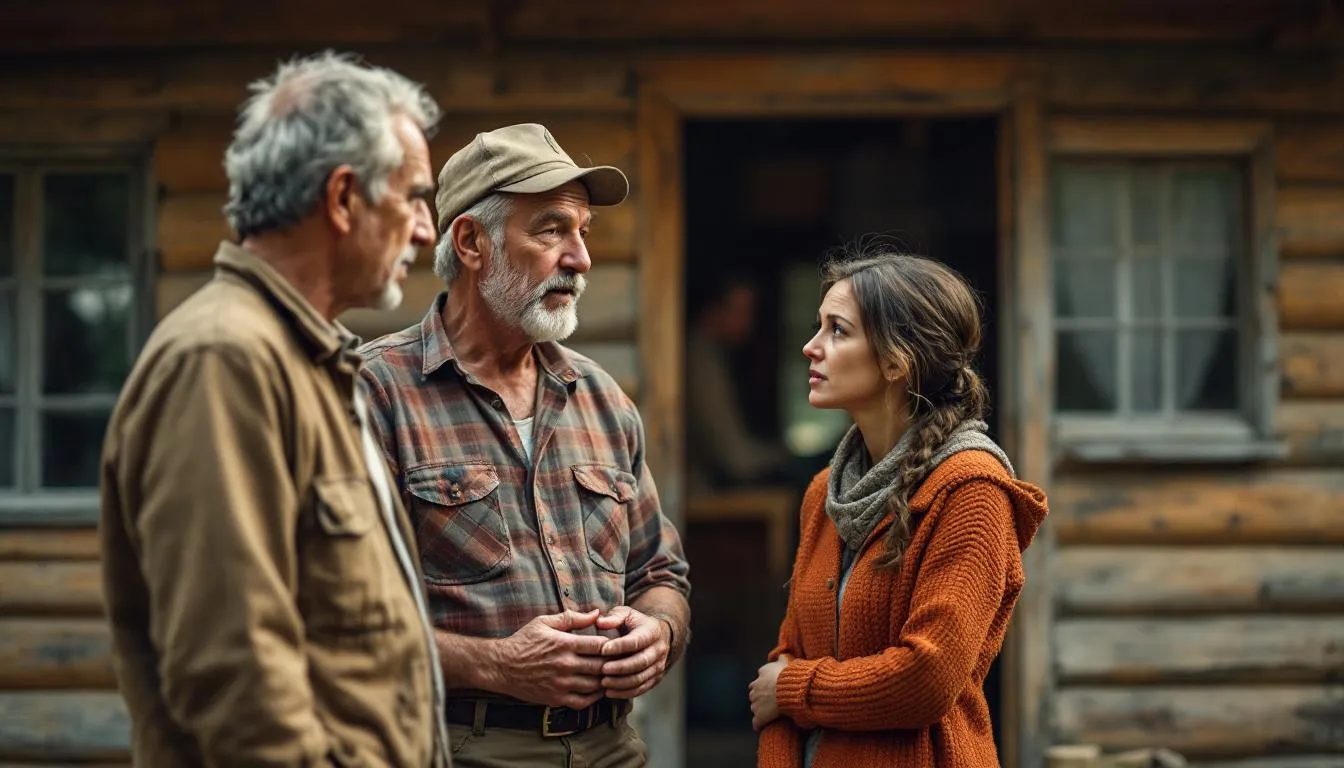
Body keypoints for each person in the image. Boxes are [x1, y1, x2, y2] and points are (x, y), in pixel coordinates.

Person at [99, 52, 449, 767]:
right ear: (343, 198)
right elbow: (237, 678)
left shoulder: (309, 359)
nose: (425, 230)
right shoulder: (224, 361)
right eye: (414, 197)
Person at [359, 123, 692, 767]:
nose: (580, 258)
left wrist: (658, 630)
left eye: (583, 232)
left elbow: (660, 573)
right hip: (456, 748)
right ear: (471, 242)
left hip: (613, 749)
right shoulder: (374, 393)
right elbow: (334, 620)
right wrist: (496, 664)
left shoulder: (602, 399)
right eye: (551, 230)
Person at [749, 245, 1048, 767]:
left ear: (895, 360)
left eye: (837, 330)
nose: (810, 347)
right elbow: (784, 664)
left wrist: (796, 689)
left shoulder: (971, 492)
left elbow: (925, 679)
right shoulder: (824, 492)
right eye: (819, 327)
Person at [685, 273, 795, 496]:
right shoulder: (701, 360)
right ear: (712, 310)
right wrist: (784, 457)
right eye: (739, 311)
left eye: (750, 312)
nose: (748, 322)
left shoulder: (716, 355)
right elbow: (734, 456)